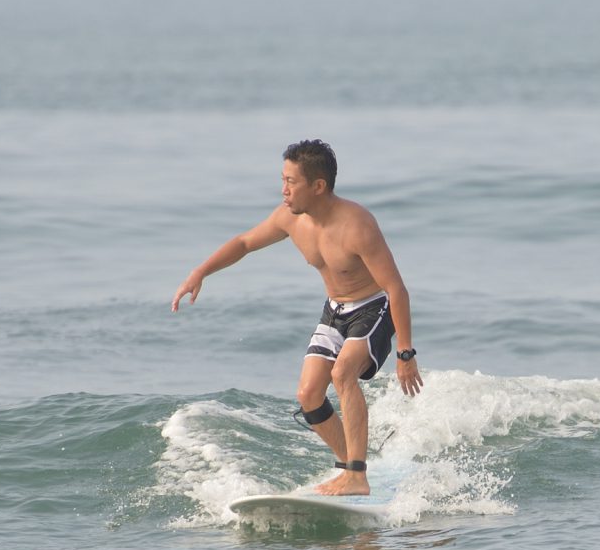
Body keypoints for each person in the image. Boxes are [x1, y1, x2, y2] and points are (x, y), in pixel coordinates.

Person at [171, 139, 423, 496]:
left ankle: (357, 475)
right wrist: (200, 273)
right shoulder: (290, 219)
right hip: (334, 310)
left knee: (342, 373)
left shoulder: (357, 225)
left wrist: (406, 354)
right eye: (283, 179)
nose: (283, 190)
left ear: (318, 186)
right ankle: (351, 465)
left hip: (374, 307)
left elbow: (397, 289)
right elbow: (244, 243)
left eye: (291, 181)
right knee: (308, 394)